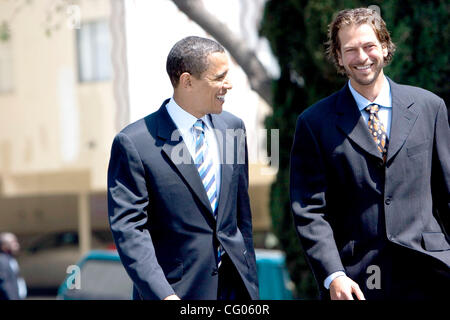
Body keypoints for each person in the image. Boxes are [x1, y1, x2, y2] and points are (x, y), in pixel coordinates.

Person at [290, 8, 449, 300]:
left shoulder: (430, 107)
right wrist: (333, 275)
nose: (361, 57)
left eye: (369, 46)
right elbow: (309, 211)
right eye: (350, 50)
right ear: (338, 57)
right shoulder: (314, 123)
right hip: (358, 281)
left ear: (385, 47)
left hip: (431, 274)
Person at [107, 36, 259, 300]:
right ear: (187, 81)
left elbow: (240, 218)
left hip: (236, 292)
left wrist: (251, 286)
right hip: (176, 294)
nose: (229, 85)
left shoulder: (233, 129)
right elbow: (130, 232)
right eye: (219, 77)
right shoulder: (134, 143)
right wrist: (163, 295)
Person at [0, 232, 27, 300]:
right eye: (13, 242)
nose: (17, 245)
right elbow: (5, 283)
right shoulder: (2, 261)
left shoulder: (10, 259)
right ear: (4, 246)